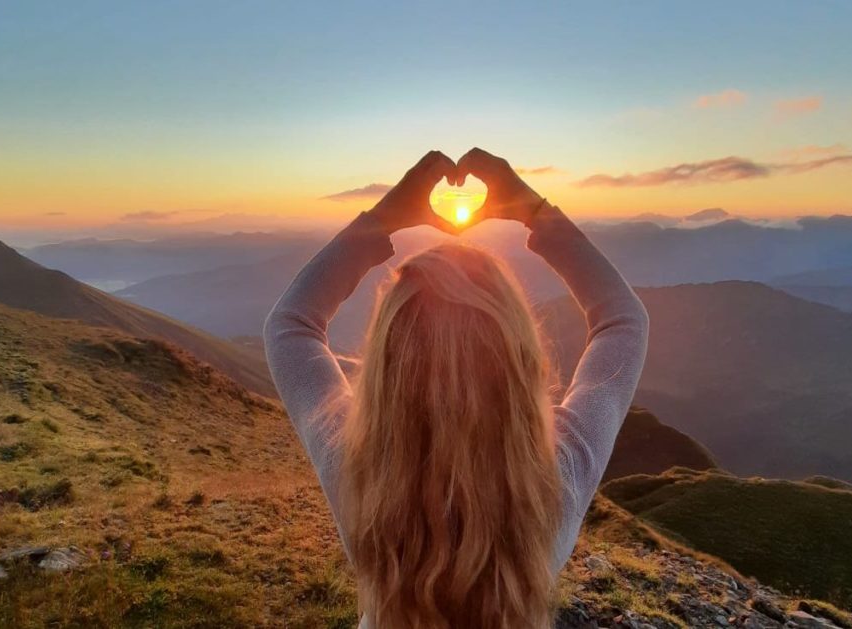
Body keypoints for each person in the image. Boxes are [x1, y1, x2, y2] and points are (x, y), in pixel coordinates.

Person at [264, 148, 649, 628]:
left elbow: (291, 323)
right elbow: (623, 321)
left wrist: (383, 219)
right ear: (522, 360)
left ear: (386, 364)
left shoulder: (358, 471)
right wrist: (533, 211)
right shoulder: (557, 479)